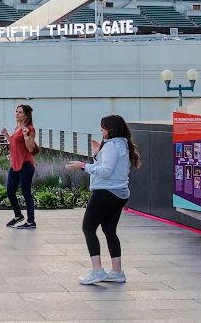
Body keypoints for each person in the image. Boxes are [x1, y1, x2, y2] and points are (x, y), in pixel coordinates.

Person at [66, 114, 140, 285]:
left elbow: (106, 171)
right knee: (109, 230)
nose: (101, 130)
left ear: (110, 129)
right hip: (119, 193)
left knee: (88, 228)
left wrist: (82, 166)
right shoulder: (123, 145)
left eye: (103, 127)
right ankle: (117, 272)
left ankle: (97, 270)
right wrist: (97, 154)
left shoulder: (112, 146)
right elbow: (111, 167)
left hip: (105, 192)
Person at [0, 104, 39, 229]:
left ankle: (31, 221)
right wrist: (6, 135)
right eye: (16, 112)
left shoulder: (30, 129)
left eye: (20, 112)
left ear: (26, 115)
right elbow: (14, 144)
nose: (17, 114)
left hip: (26, 164)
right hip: (15, 165)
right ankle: (18, 215)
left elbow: (31, 148)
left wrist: (27, 136)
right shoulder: (18, 128)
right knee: (10, 191)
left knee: (25, 192)